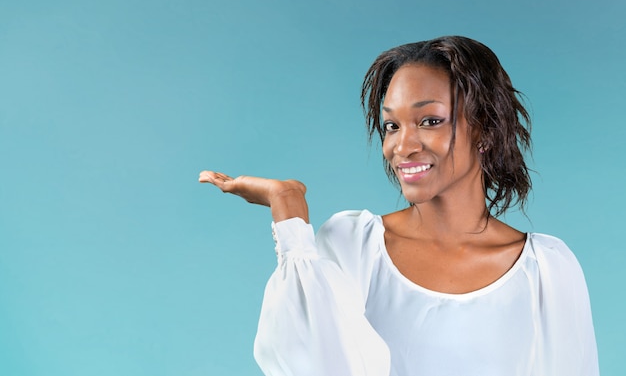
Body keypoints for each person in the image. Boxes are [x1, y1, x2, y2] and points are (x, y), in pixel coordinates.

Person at [199, 36, 599, 376]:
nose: (402, 146)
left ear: (487, 131)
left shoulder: (546, 270)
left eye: (429, 121)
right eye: (392, 125)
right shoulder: (355, 245)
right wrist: (289, 213)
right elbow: (313, 363)